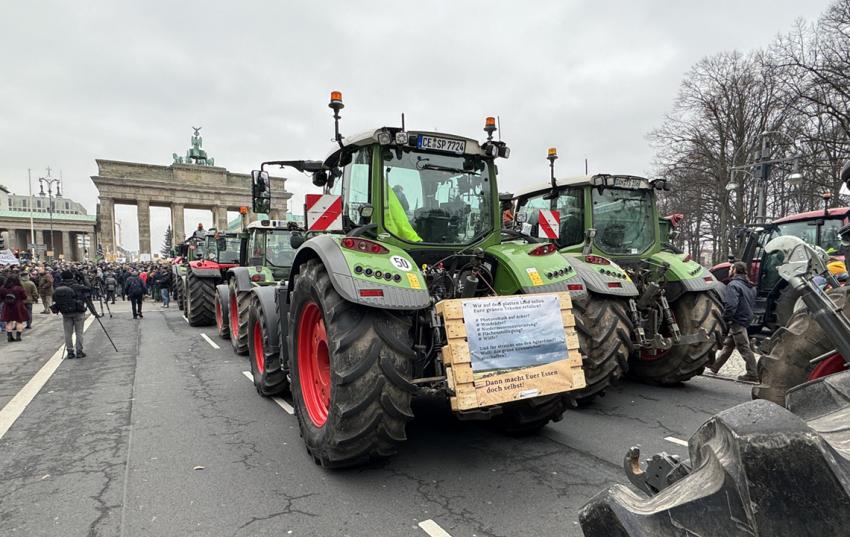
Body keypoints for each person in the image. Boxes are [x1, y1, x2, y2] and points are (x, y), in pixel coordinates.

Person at [710, 261, 758, 381]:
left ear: (735, 270)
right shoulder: (750, 286)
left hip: (737, 320)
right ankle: (715, 367)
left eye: (731, 268)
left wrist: (725, 319)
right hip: (745, 318)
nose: (729, 271)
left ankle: (753, 373)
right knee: (728, 345)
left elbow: (731, 305)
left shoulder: (733, 285)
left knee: (744, 347)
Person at [51, 270, 99, 359]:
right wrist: (83, 278)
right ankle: (79, 351)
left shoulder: (59, 287)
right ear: (72, 277)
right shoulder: (77, 286)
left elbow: (54, 297)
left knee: (67, 333)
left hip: (65, 312)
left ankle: (70, 352)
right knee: (79, 333)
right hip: (78, 311)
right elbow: (89, 288)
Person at [1, 274, 28, 342]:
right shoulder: (19, 288)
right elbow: (24, 297)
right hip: (18, 306)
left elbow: (1, 297)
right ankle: (18, 337)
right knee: (19, 321)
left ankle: (9, 337)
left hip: (7, 306)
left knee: (9, 321)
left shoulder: (2, 288)